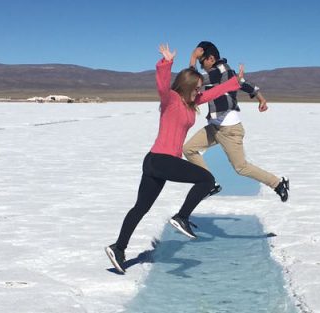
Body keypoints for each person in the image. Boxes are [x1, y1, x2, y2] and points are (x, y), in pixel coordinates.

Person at [105, 43, 246, 274]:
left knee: (141, 207)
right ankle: (181, 217)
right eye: (196, 87)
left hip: (156, 162)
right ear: (187, 85)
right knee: (206, 180)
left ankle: (118, 249)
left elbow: (212, 93)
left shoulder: (192, 102)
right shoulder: (170, 99)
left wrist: (234, 83)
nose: (199, 91)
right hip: (160, 159)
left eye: (200, 88)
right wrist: (166, 63)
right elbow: (162, 84)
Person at [183, 41, 289, 202]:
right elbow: (244, 85)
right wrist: (261, 98)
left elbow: (194, 80)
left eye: (201, 61)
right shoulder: (224, 73)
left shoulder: (220, 70)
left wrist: (192, 58)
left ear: (211, 58)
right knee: (189, 149)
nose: (200, 65)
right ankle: (210, 184)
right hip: (216, 127)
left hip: (230, 130)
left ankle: (278, 184)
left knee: (241, 167)